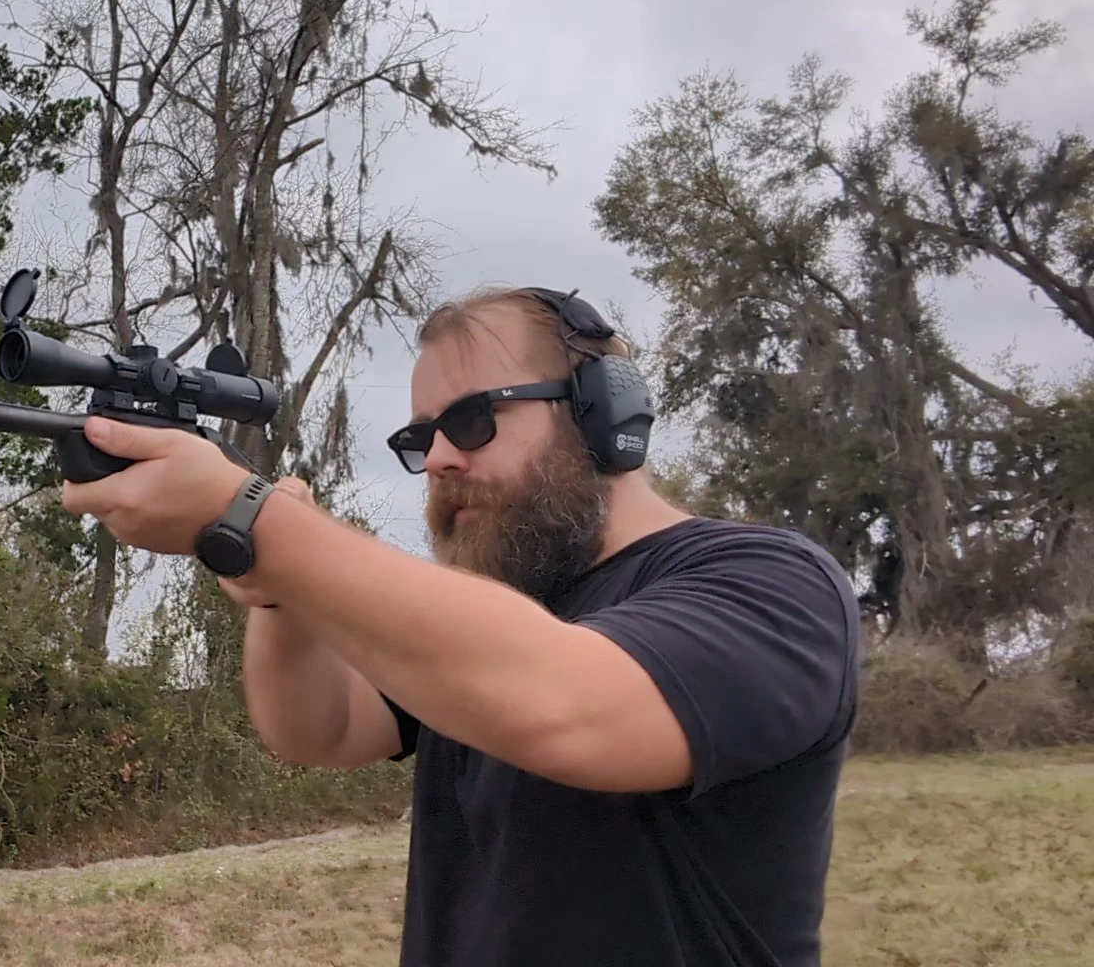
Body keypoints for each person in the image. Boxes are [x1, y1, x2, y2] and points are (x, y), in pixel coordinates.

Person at [59, 283, 863, 967]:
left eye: (474, 419)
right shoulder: (490, 616)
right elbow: (318, 729)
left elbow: (567, 708)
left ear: (601, 413)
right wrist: (275, 587)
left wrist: (259, 522)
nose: (440, 457)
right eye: (422, 437)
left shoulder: (771, 584)